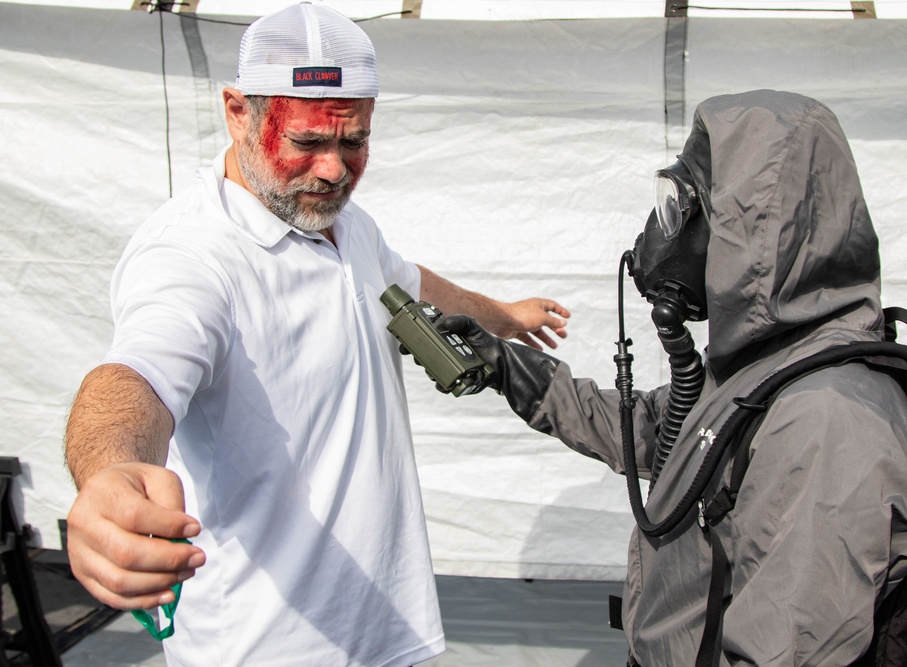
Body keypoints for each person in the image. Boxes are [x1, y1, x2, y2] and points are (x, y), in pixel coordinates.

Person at [62, 4, 569, 666]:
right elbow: (135, 378)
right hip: (265, 648)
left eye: (353, 141)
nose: (333, 170)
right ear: (238, 111)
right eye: (305, 143)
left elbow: (409, 281)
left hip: (389, 630)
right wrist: (108, 473)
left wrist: (503, 313)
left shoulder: (343, 224)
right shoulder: (190, 255)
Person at [438, 90, 907, 665]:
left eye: (683, 207)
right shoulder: (768, 367)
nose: (664, 232)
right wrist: (505, 365)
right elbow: (653, 427)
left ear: (755, 231)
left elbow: (789, 651)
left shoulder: (827, 416)